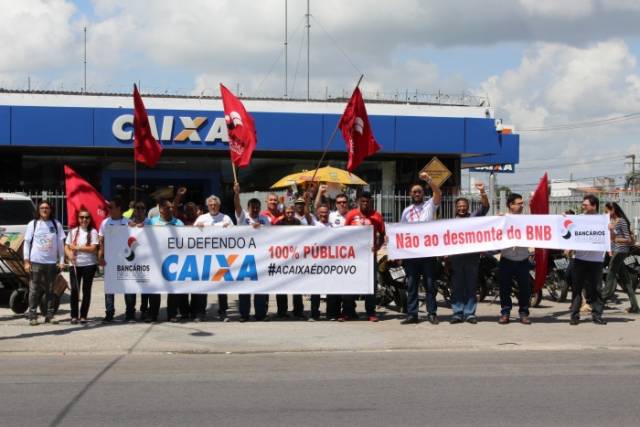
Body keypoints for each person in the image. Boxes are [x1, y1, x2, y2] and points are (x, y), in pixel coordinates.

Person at [399, 172, 442, 325]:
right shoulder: (406, 211)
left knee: (430, 285)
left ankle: (431, 313)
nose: (416, 194)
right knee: (412, 285)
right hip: (411, 256)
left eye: (419, 191)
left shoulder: (430, 205)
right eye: (414, 192)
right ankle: (412, 314)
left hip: (428, 254)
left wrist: (429, 180)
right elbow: (401, 233)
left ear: (423, 193)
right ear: (411, 195)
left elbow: (438, 193)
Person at [449, 182, 489, 324]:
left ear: (468, 207)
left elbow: (485, 207)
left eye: (464, 206)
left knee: (471, 286)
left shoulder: (474, 217)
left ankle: (470, 313)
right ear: (456, 208)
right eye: (459, 206)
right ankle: (457, 313)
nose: (461, 208)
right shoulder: (450, 223)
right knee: (457, 286)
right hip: (456, 259)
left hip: (472, 258)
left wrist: (482, 191)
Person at [343, 191, 386, 322]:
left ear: (371, 202)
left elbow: (383, 235)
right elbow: (344, 234)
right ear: (358, 201)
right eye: (363, 201)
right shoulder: (351, 215)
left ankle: (371, 312)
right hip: (353, 256)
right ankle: (348, 312)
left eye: (368, 201)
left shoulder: (377, 216)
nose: (365, 203)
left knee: (370, 284)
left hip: (369, 256)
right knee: (350, 283)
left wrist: (378, 247)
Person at [23, 200, 65, 325]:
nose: (44, 210)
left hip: (51, 263)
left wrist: (62, 260)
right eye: (42, 208)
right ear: (38, 210)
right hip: (36, 261)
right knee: (34, 290)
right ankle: (32, 315)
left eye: (47, 208)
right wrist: (26, 261)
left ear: (50, 210)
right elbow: (27, 243)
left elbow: (61, 245)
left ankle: (49, 315)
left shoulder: (56, 224)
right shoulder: (33, 224)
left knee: (50, 290)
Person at [233, 182, 271, 321]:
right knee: (245, 288)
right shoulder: (242, 217)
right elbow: (237, 205)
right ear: (248, 208)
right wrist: (236, 193)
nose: (255, 210)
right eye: (252, 207)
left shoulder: (265, 219)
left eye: (257, 208)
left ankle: (260, 314)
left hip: (261, 257)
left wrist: (261, 227)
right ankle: (244, 315)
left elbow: (272, 234)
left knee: (260, 288)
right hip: (245, 258)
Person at [194, 195, 233, 322]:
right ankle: (200, 312)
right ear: (207, 206)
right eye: (210, 204)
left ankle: (223, 312)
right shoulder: (202, 218)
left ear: (219, 205)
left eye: (215, 204)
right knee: (203, 285)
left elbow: (236, 234)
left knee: (222, 286)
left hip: (221, 257)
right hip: (205, 257)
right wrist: (196, 227)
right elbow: (191, 235)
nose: (213, 206)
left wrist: (229, 228)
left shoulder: (226, 218)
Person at [145, 197, 185, 322]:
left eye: (172, 207)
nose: (171, 209)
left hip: (173, 261)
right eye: (168, 208)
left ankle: (172, 314)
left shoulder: (178, 223)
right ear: (161, 209)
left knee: (172, 289)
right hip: (156, 260)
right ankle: (153, 314)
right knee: (155, 289)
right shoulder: (150, 222)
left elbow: (185, 239)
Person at [570, 195, 607, 325]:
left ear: (594, 206)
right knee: (577, 288)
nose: (583, 207)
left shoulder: (603, 220)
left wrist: (611, 230)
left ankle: (597, 315)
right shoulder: (579, 219)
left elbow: (611, 237)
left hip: (597, 261)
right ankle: (574, 315)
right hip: (580, 259)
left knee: (596, 288)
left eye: (585, 205)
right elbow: (568, 230)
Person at [98, 196, 134, 323]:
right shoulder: (105, 223)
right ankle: (109, 313)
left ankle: (130, 314)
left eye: (111, 207)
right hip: (110, 260)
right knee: (110, 288)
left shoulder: (128, 222)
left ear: (119, 208)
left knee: (128, 287)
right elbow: (101, 241)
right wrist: (101, 257)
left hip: (125, 260)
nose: (108, 209)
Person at [498, 193, 532, 325]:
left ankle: (524, 313)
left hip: (523, 259)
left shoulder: (527, 219)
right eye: (519, 203)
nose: (522, 206)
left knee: (525, 288)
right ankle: (505, 313)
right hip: (507, 258)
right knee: (504, 288)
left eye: (522, 203)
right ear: (511, 205)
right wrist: (498, 220)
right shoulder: (502, 218)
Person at [601, 202, 639, 314]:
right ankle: (635, 307)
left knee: (610, 276)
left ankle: (600, 301)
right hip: (613, 252)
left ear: (613, 210)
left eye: (607, 210)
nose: (606, 213)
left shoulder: (621, 221)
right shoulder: (611, 221)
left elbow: (627, 239)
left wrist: (615, 240)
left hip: (620, 251)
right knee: (626, 281)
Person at [64, 208, 99, 325]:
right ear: (78, 219)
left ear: (90, 219)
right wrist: (69, 255)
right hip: (74, 264)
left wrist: (78, 248)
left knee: (86, 290)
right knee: (74, 290)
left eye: (87, 217)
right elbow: (67, 247)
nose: (84, 219)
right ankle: (74, 315)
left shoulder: (93, 232)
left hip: (89, 264)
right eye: (82, 217)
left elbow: (93, 248)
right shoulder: (73, 231)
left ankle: (83, 315)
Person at [274, 205, 305, 319]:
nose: (290, 214)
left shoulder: (298, 223)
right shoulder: (278, 224)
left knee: (297, 286)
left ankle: (298, 310)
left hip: (296, 259)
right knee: (281, 287)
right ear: (284, 213)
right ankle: (282, 311)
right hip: (282, 260)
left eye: (291, 212)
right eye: (287, 212)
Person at [129, 201, 155, 322]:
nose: (139, 210)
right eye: (137, 208)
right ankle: (131, 311)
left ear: (145, 210)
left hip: (147, 259)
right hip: (132, 259)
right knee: (132, 286)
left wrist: (146, 228)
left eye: (142, 208)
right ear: (134, 210)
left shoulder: (150, 222)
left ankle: (144, 310)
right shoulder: (128, 223)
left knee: (145, 287)